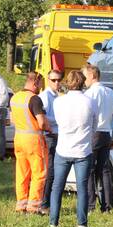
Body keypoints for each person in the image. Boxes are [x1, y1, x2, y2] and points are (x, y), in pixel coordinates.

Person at [49, 69, 97, 227]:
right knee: (82, 187)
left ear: (67, 83)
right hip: (83, 150)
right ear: (83, 82)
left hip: (63, 148)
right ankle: (82, 223)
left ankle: (53, 222)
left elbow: (58, 121)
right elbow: (94, 125)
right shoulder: (90, 101)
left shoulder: (58, 102)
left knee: (57, 186)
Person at [11, 71, 50, 214]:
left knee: (22, 172)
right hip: (34, 140)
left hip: (19, 138)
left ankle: (21, 205)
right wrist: (49, 127)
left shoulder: (15, 97)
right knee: (39, 173)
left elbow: (13, 119)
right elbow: (41, 123)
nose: (41, 87)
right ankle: (34, 207)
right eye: (40, 84)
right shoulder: (34, 99)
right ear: (35, 83)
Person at [83, 64, 113, 213]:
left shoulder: (89, 94)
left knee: (90, 170)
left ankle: (91, 205)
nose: (84, 80)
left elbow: (87, 116)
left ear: (92, 76)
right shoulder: (111, 93)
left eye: (85, 77)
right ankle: (106, 206)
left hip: (94, 133)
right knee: (104, 170)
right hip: (106, 133)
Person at [38, 69, 63, 211]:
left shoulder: (57, 95)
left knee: (54, 170)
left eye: (59, 80)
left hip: (57, 135)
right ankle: (44, 203)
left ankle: (48, 201)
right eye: (54, 80)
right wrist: (61, 119)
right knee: (50, 170)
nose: (57, 83)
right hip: (50, 135)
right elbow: (44, 117)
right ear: (48, 80)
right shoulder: (45, 96)